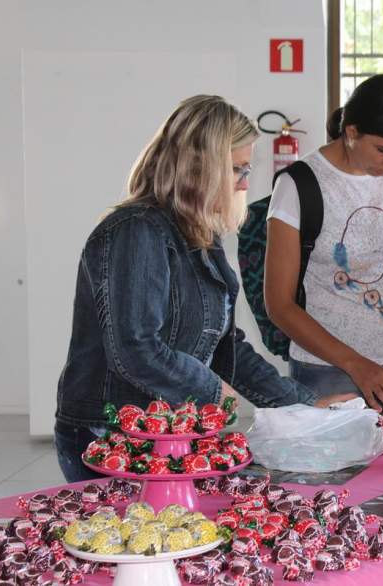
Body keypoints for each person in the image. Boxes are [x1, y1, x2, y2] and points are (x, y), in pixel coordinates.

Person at [55, 95, 351, 482]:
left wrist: (303, 405)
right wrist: (213, 391)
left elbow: (227, 347)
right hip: (111, 432)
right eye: (237, 170)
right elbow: (136, 348)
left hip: (168, 428)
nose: (245, 183)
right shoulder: (136, 231)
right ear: (197, 167)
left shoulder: (199, 234)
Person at [265, 74, 383, 412]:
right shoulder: (300, 184)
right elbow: (279, 304)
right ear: (351, 132)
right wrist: (356, 364)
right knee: (334, 466)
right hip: (328, 369)